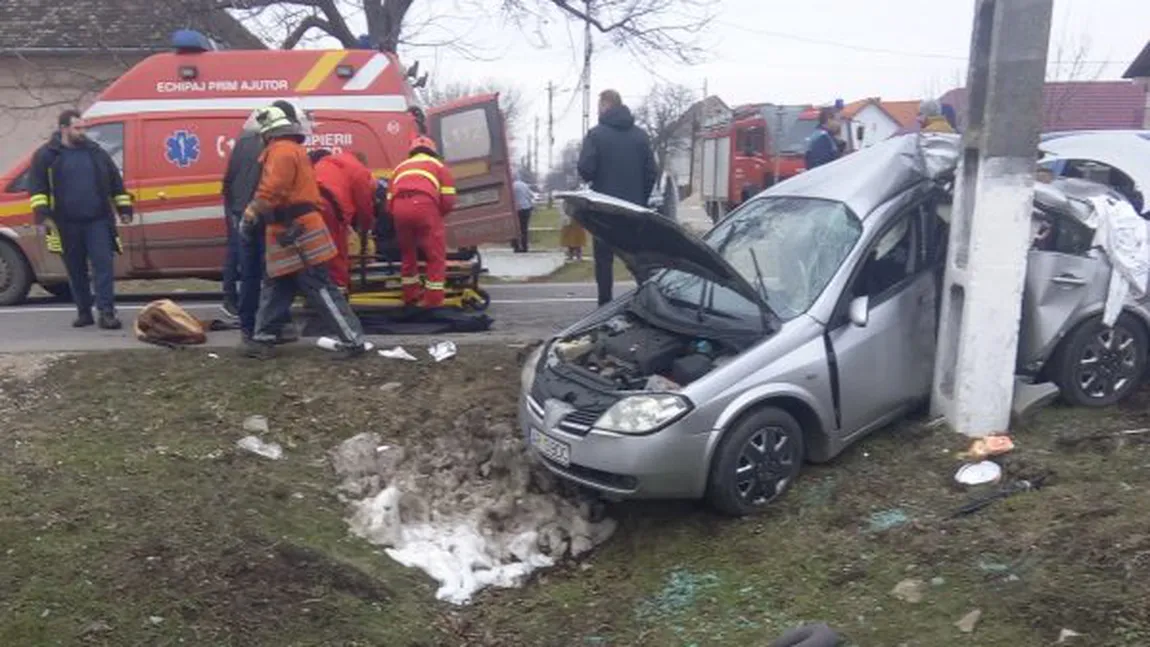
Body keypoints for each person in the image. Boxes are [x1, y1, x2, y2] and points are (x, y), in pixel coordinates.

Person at [240, 105, 367, 359]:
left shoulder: (281, 151)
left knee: (318, 286)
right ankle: (263, 338)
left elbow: (273, 189)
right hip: (291, 230)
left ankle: (353, 341)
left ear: (268, 132)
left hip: (296, 232)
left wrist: (251, 213)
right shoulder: (290, 149)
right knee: (277, 284)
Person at [29, 110, 133, 329]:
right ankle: (84, 312)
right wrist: (44, 216)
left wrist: (124, 208)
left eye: (84, 127)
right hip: (65, 224)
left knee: (103, 265)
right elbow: (37, 189)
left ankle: (106, 313)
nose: (83, 132)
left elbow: (115, 182)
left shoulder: (96, 153)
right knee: (75, 270)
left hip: (97, 220)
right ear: (64, 128)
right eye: (78, 128)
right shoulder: (47, 156)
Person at [222, 101, 301, 342]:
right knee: (276, 273)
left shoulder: (244, 140)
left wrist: (237, 213)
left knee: (249, 274)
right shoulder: (277, 146)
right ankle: (272, 327)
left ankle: (248, 328)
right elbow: (274, 187)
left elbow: (228, 180)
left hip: (242, 214)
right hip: (264, 216)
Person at [577, 89, 658, 306]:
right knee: (637, 258)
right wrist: (640, 197)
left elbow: (586, 169)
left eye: (599, 106)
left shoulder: (596, 135)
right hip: (634, 209)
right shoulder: (641, 136)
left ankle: (605, 303)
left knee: (604, 261)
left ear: (605, 105)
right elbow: (652, 172)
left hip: (603, 209)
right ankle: (649, 300)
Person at [388, 135, 457, 308]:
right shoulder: (439, 167)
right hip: (425, 205)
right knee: (435, 255)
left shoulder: (399, 168)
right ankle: (433, 301)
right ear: (433, 152)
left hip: (399, 208)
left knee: (408, 254)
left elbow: (388, 202)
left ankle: (410, 296)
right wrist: (436, 215)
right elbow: (448, 200)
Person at [310, 149, 378, 291]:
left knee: (314, 252)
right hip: (329, 205)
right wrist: (365, 230)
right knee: (337, 253)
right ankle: (339, 295)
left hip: (306, 203)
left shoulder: (326, 162)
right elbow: (364, 206)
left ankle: (313, 292)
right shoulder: (359, 170)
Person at [511, 174, 533, 253]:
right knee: (524, 228)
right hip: (526, 208)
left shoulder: (511, 186)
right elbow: (530, 196)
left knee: (515, 229)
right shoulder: (525, 185)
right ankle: (525, 247)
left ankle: (516, 246)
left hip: (515, 209)